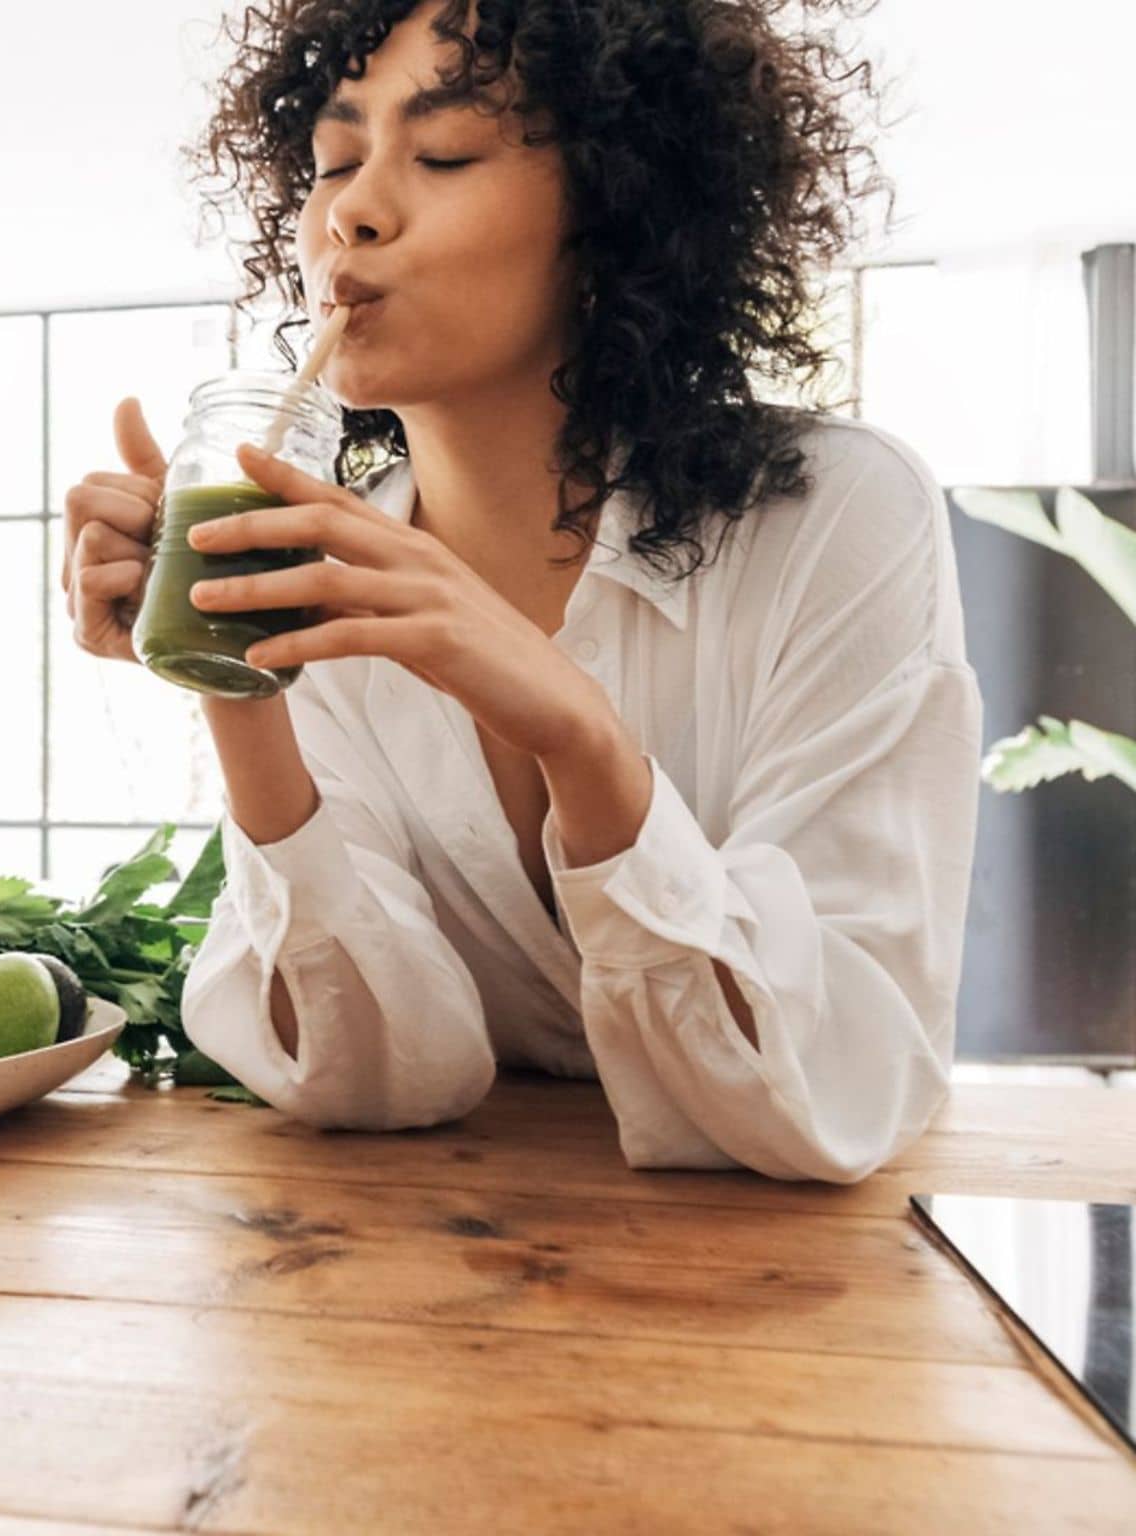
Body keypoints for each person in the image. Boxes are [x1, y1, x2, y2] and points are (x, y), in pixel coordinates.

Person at [58, 0, 984, 1183]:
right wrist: (228, 670)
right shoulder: (317, 566)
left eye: (441, 155)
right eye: (333, 160)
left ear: (613, 215)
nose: (351, 208)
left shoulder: (833, 518)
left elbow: (833, 1087)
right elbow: (375, 1081)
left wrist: (578, 740)